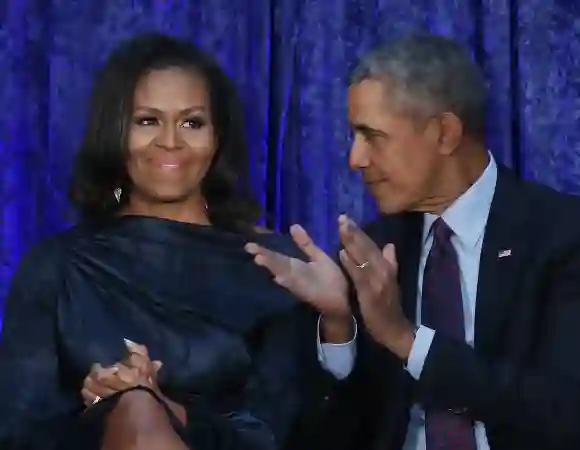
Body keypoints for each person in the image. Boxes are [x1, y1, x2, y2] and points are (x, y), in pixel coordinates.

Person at [245, 34, 580, 450]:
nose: (355, 158)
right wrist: (338, 326)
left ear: (444, 133)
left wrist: (404, 338)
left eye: (372, 136)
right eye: (353, 135)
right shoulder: (371, 252)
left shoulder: (562, 235)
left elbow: (564, 414)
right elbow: (332, 437)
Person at [0, 33, 312, 450]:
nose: (170, 141)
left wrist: (165, 408)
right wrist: (99, 406)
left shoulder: (275, 267)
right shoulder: (55, 267)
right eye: (147, 120)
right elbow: (19, 433)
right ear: (114, 133)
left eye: (192, 122)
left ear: (217, 138)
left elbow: (283, 432)